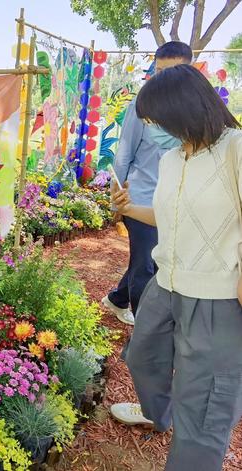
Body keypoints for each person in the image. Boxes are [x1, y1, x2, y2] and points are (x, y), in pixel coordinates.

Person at [112, 64, 242, 470]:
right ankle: (159, 414)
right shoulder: (172, 159)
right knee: (141, 356)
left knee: (203, 408)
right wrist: (131, 208)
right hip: (165, 284)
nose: (151, 129)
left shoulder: (235, 148)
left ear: (183, 110)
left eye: (155, 121)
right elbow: (171, 216)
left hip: (217, 298)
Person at [102, 42, 193, 327]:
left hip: (175, 202)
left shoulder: (192, 110)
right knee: (145, 265)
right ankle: (145, 328)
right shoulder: (140, 105)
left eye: (175, 71)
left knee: (153, 260)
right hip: (140, 199)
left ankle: (117, 298)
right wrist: (116, 196)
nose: (165, 79)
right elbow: (124, 152)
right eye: (160, 71)